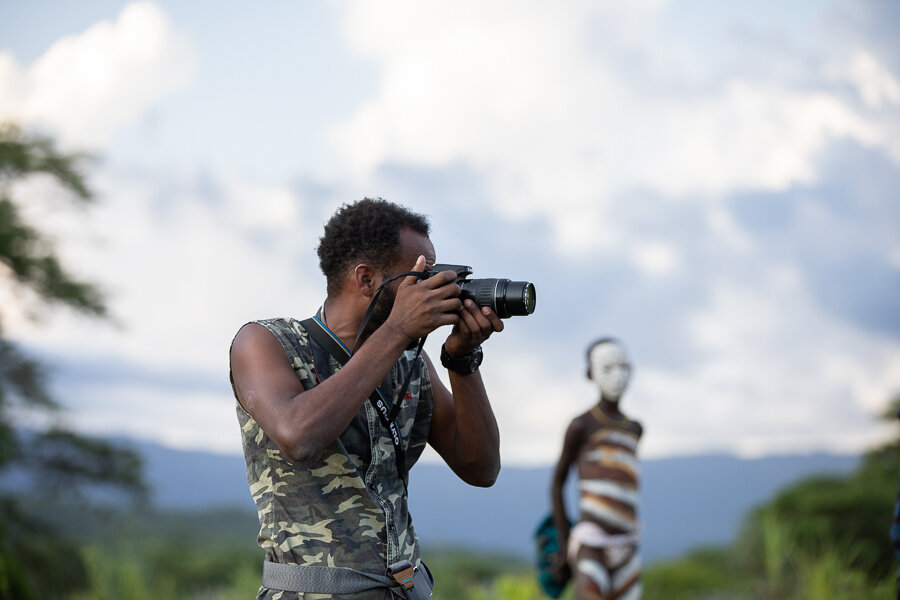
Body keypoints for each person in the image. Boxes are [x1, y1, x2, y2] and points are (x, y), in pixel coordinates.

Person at [229, 198, 504, 599]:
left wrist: (461, 360)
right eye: (420, 277)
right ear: (366, 279)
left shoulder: (411, 360)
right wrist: (396, 332)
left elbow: (481, 469)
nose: (432, 289)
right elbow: (298, 434)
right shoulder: (266, 342)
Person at [549, 338, 643, 600]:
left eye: (624, 367)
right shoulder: (582, 425)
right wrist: (564, 542)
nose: (618, 376)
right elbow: (557, 483)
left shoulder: (635, 428)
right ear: (590, 373)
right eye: (608, 368)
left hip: (628, 544)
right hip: (592, 544)